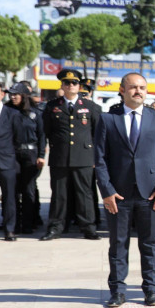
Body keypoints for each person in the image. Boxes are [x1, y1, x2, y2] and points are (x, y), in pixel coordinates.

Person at [94, 73, 155, 307]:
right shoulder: (108, 120)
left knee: (149, 244)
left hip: (150, 195)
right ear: (122, 90)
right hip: (118, 195)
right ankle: (117, 291)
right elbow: (100, 159)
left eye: (142, 87)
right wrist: (107, 191)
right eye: (132, 87)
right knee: (118, 244)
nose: (138, 91)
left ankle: (150, 289)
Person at [41, 69, 101, 241]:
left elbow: (98, 134)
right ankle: (55, 228)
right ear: (62, 85)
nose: (70, 86)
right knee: (59, 195)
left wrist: (97, 157)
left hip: (84, 157)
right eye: (67, 83)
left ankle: (89, 227)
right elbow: (46, 131)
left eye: (74, 83)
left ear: (79, 85)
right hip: (60, 157)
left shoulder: (91, 107)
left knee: (85, 194)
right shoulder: (53, 107)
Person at [7, 83, 45, 234]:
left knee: (29, 189)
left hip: (31, 154)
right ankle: (13, 224)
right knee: (13, 190)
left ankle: (28, 223)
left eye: (16, 94)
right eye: (11, 94)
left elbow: (42, 136)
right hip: (12, 154)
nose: (13, 97)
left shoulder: (35, 113)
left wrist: (41, 155)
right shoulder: (7, 111)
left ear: (24, 95)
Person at [0, 81, 22, 241]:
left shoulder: (12, 114)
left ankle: (9, 229)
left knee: (9, 197)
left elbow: (18, 139)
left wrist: (13, 159)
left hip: (6, 161)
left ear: (2, 94)